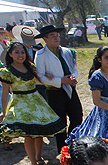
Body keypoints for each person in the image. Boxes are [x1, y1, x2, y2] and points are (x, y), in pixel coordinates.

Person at [0, 42, 65, 165]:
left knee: (39, 132)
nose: (20, 55)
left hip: (35, 101)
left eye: (22, 52)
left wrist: (48, 76)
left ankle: (39, 157)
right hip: (20, 104)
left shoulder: (30, 67)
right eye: (17, 52)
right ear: (10, 54)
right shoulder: (6, 71)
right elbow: (4, 92)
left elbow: (40, 80)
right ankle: (33, 163)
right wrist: (4, 111)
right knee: (28, 135)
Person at [34, 24, 83, 152]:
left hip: (70, 90)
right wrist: (60, 80)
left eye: (57, 36)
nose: (56, 38)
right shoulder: (41, 55)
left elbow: (73, 68)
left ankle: (73, 143)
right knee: (60, 123)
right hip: (55, 92)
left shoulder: (66, 51)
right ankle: (63, 150)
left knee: (77, 116)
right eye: (52, 36)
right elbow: (41, 77)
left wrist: (72, 78)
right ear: (45, 39)